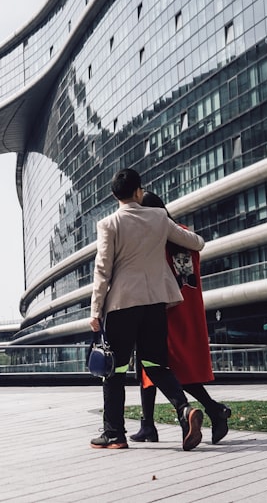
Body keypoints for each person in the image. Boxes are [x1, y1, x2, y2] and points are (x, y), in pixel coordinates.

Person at [89, 168, 207, 450]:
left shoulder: (109, 224)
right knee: (156, 365)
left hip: (122, 305)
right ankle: (184, 411)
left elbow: (102, 270)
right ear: (139, 191)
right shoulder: (158, 217)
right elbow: (197, 243)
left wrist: (95, 311)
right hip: (155, 304)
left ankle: (114, 434)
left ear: (114, 195)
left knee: (114, 370)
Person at [130, 191, 231, 445]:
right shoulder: (183, 233)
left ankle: (212, 409)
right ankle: (148, 425)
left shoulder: (159, 237)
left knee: (163, 367)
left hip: (166, 308)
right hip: (189, 308)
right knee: (153, 366)